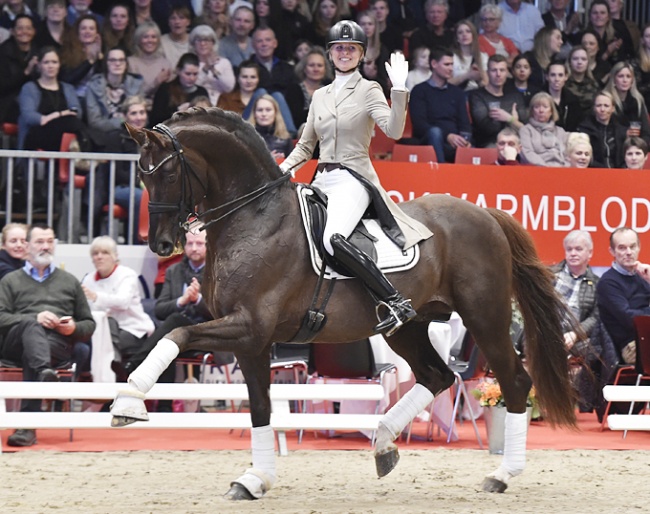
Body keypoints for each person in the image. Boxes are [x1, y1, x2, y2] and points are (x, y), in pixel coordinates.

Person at [279, 20, 432, 336]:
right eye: (339, 48)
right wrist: (282, 169)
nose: (344, 53)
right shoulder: (320, 95)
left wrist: (399, 90)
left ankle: (395, 301)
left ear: (361, 54)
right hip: (321, 180)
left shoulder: (369, 89)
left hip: (354, 178)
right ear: (330, 53)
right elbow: (307, 145)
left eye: (351, 48)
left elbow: (394, 130)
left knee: (331, 237)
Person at [0, 225, 95, 447]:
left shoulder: (69, 281)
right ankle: (44, 374)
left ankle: (27, 427)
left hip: (56, 344)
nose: (46, 246)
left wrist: (72, 328)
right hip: (16, 343)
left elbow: (89, 324)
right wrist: (34, 317)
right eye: (40, 241)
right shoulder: (10, 280)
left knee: (35, 350)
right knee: (30, 325)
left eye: (50, 241)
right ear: (28, 246)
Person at [111, 229, 222, 410]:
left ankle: (135, 364)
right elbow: (160, 309)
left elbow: (221, 314)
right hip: (178, 336)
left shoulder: (217, 272)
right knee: (170, 336)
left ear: (209, 245)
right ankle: (164, 406)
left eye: (199, 244)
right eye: (190, 243)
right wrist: (182, 301)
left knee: (173, 327)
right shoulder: (173, 271)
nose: (194, 248)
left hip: (206, 334)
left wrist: (198, 300)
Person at [549, 230, 601, 411]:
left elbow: (596, 317)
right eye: (569, 249)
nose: (573, 253)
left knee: (597, 347)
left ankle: (581, 401)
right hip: (549, 332)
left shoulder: (597, 283)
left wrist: (575, 334)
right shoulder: (549, 275)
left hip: (578, 336)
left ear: (590, 253)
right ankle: (546, 401)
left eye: (578, 249)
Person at [81, 236, 154, 363]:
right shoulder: (88, 279)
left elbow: (123, 302)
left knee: (104, 340)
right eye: (95, 253)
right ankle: (112, 365)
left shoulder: (127, 275)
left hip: (131, 328)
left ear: (115, 256)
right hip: (100, 329)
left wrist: (96, 297)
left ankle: (112, 367)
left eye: (105, 253)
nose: (99, 257)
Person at [597, 226, 650, 365]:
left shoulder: (642, 277)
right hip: (633, 346)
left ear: (639, 247)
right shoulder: (608, 283)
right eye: (622, 248)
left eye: (632, 247)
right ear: (612, 251)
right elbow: (630, 320)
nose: (628, 252)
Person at [410, 46, 472, 163]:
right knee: (435, 132)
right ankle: (440, 172)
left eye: (452, 64)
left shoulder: (457, 92)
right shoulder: (419, 91)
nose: (451, 68)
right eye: (446, 64)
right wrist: (447, 136)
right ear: (434, 64)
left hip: (454, 141)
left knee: (469, 141)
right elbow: (419, 124)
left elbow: (464, 122)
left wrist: (465, 139)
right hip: (428, 139)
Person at [17, 46, 86, 151]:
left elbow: (77, 112)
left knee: (72, 124)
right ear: (39, 65)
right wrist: (59, 114)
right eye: (46, 62)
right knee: (72, 124)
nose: (51, 66)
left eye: (54, 62)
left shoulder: (68, 88)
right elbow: (29, 116)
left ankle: (84, 148)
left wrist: (51, 117)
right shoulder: (29, 88)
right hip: (38, 134)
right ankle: (87, 149)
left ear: (59, 65)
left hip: (64, 132)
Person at [468, 54, 527, 148]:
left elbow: (526, 129)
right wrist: (514, 121)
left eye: (502, 70)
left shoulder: (515, 95)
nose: (498, 74)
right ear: (487, 72)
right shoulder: (477, 96)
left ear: (507, 72)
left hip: (516, 142)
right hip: (489, 144)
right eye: (494, 70)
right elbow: (487, 129)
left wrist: (508, 118)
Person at [85, 46, 144, 139]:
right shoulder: (94, 85)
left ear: (126, 64)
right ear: (106, 63)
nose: (117, 63)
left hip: (131, 134)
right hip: (103, 136)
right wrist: (121, 121)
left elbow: (141, 117)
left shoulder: (135, 84)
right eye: (113, 60)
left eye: (121, 60)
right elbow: (94, 122)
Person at [150, 52, 209, 125]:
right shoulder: (165, 89)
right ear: (178, 71)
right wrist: (177, 112)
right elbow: (154, 120)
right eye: (188, 74)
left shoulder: (201, 92)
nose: (192, 78)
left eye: (195, 74)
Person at [0, 14, 38, 126]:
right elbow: (2, 86)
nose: (24, 31)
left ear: (34, 31)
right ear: (12, 31)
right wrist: (25, 73)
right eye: (20, 28)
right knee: (28, 116)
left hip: (37, 99)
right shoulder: (3, 52)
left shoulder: (39, 51)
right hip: (9, 102)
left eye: (28, 28)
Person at [284, 46, 332, 133]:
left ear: (325, 69)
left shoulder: (330, 89)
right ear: (304, 69)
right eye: (311, 65)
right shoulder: (294, 90)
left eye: (320, 65)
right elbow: (297, 120)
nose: (316, 69)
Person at [59, 14, 104, 103]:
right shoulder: (67, 52)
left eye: (91, 29)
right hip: (74, 97)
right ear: (77, 32)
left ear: (97, 33)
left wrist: (100, 58)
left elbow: (104, 80)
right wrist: (90, 62)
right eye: (83, 28)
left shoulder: (102, 52)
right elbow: (68, 80)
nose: (87, 31)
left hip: (96, 98)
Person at [127, 21, 173, 107]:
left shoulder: (165, 63)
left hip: (160, 111)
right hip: (136, 110)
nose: (150, 40)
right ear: (139, 40)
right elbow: (132, 95)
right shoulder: (130, 63)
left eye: (153, 37)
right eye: (145, 37)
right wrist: (156, 83)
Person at [577, 90, 627, 169]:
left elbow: (625, 158)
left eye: (606, 106)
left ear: (612, 108)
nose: (602, 109)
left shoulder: (621, 131)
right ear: (594, 108)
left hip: (618, 174)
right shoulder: (584, 130)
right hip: (594, 173)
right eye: (599, 105)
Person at [603, 60, 650, 142]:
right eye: (621, 76)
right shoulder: (605, 99)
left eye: (628, 76)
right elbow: (603, 129)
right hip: (613, 145)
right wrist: (625, 133)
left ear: (632, 81)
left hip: (635, 146)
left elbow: (646, 131)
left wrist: (642, 146)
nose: (625, 80)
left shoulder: (638, 100)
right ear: (614, 79)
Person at [519, 91, 568, 167]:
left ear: (551, 111)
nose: (541, 110)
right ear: (532, 111)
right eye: (537, 107)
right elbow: (527, 153)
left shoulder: (561, 131)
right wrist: (546, 169)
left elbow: (568, 155)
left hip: (562, 171)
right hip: (537, 171)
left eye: (545, 107)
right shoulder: (526, 130)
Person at [189, 24, 235, 106]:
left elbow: (229, 88)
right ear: (193, 44)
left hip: (221, 104)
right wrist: (206, 68)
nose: (202, 43)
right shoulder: (190, 63)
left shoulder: (224, 62)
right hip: (197, 105)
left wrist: (213, 70)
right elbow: (192, 86)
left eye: (206, 40)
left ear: (213, 43)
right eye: (198, 40)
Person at [584, 0, 634, 67]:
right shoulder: (583, 36)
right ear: (590, 16)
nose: (598, 16)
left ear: (608, 17)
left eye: (602, 13)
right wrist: (607, 53)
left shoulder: (617, 36)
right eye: (595, 13)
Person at [247, 93, 293, 159]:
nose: (264, 114)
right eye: (260, 110)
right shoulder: (245, 137)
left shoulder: (285, 138)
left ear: (275, 113)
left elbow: (295, 166)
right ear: (254, 114)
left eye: (268, 110)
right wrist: (266, 159)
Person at [543, 59, 582, 132]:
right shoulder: (538, 99)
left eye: (560, 75)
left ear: (566, 77)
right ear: (547, 77)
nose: (557, 79)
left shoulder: (573, 100)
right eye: (553, 75)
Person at [357, 10, 390, 96]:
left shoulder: (382, 50)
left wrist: (373, 77)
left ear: (375, 27)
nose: (366, 27)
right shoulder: (350, 50)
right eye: (363, 24)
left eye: (370, 24)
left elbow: (384, 85)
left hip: (376, 96)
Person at [449, 19, 487, 92]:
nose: (464, 35)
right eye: (460, 32)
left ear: (473, 35)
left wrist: (479, 79)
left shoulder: (482, 57)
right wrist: (467, 76)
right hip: (457, 95)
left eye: (468, 31)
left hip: (476, 95)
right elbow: (446, 84)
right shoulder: (451, 57)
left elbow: (486, 83)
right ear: (457, 38)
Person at [218, 3, 255, 68]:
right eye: (238, 20)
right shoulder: (221, 45)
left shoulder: (257, 44)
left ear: (252, 25)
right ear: (231, 21)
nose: (242, 24)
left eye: (246, 21)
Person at [565, 45, 600, 113]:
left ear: (588, 63)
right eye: (575, 59)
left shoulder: (594, 84)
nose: (579, 62)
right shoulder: (563, 84)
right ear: (569, 62)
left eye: (583, 59)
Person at [159, 5, 192, 69]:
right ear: (168, 22)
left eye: (181, 18)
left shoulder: (194, 40)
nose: (177, 22)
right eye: (173, 18)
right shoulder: (161, 41)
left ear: (188, 22)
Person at [631, 23, 650, 109]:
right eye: (648, 36)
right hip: (645, 105)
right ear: (642, 40)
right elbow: (636, 89)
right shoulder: (636, 62)